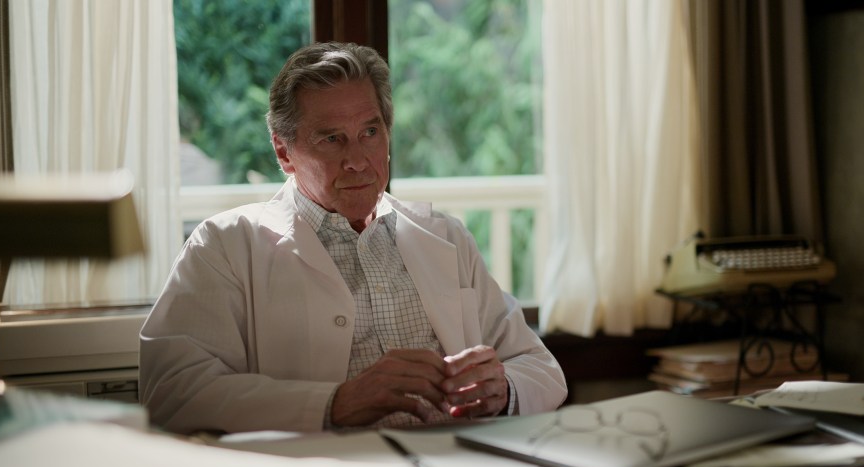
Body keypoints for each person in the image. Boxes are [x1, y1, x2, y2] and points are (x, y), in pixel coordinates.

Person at [139, 41, 567, 435]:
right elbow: (172, 393)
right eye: (331, 139)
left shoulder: (444, 236)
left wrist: (504, 391)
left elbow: (541, 368)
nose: (358, 161)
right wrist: (336, 403)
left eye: (370, 132)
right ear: (283, 152)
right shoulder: (224, 246)